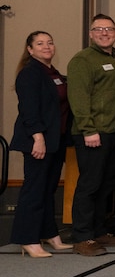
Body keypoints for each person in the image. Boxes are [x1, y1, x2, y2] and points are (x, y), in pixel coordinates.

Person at [67, 14, 115, 255]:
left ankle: (98, 230)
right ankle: (82, 236)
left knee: (106, 185)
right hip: (92, 134)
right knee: (89, 185)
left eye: (109, 29)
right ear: (91, 33)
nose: (105, 33)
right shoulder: (83, 60)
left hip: (113, 133)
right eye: (99, 29)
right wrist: (88, 129)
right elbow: (79, 98)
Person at [9, 31, 72, 258]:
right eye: (40, 43)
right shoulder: (29, 73)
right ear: (30, 49)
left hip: (56, 141)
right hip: (38, 141)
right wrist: (38, 137)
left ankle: (49, 234)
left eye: (50, 42)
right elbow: (29, 109)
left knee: (48, 190)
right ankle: (28, 239)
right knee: (34, 191)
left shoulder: (52, 73)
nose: (46, 46)